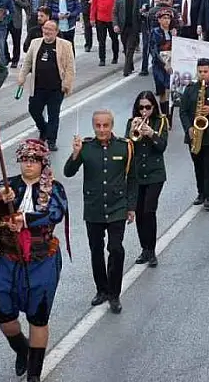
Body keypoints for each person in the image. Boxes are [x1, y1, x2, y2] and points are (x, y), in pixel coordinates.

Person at [0, 139, 69, 382]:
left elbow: (56, 212)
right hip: (9, 258)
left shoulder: (53, 188)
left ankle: (34, 374)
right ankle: (22, 350)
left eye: (33, 160)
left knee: (38, 315)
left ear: (42, 163)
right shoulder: (8, 185)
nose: (28, 165)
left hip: (41, 260)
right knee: (3, 312)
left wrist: (25, 219)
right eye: (25, 160)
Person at [64, 110, 138, 314]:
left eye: (106, 125)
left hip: (117, 208)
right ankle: (102, 289)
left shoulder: (125, 146)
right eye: (98, 126)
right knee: (96, 250)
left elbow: (132, 178)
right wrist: (75, 153)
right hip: (95, 208)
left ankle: (114, 294)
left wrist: (131, 207)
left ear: (112, 125)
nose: (102, 130)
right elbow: (68, 172)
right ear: (94, 126)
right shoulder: (86, 147)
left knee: (116, 249)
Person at [178, 58, 209, 210]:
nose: (203, 75)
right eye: (200, 72)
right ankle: (200, 193)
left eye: (206, 72)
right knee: (198, 166)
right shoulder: (190, 89)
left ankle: (208, 196)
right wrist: (188, 128)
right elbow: (183, 111)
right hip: (194, 135)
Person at [18, 20, 76, 151]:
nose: (47, 31)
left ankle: (51, 140)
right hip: (38, 87)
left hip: (56, 88)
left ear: (56, 32)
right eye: (45, 28)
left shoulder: (65, 45)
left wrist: (67, 84)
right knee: (33, 110)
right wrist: (22, 77)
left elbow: (70, 67)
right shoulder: (35, 43)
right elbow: (27, 62)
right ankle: (43, 128)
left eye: (50, 29)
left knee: (53, 115)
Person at [127, 92, 168, 268]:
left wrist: (151, 133)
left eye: (148, 107)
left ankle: (151, 251)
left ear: (153, 107)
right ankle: (144, 248)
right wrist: (131, 132)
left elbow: (162, 146)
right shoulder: (132, 122)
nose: (144, 111)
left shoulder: (161, 122)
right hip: (137, 174)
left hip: (155, 174)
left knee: (149, 211)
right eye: (141, 107)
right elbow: (128, 146)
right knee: (139, 213)